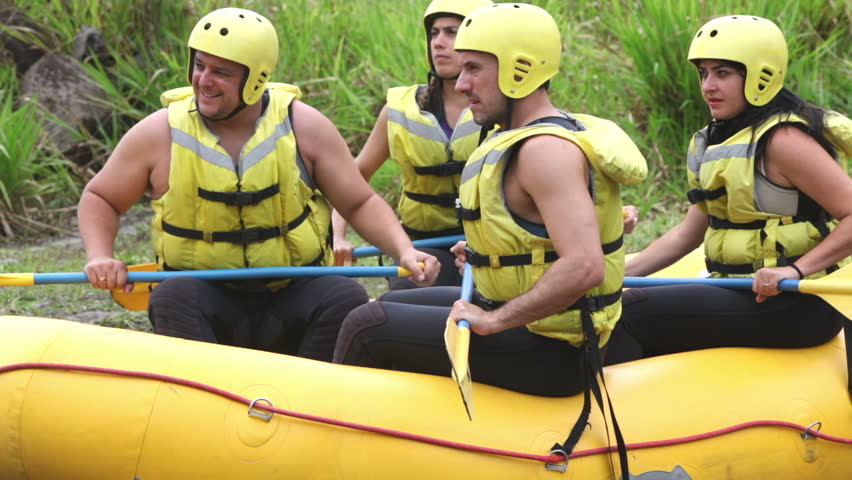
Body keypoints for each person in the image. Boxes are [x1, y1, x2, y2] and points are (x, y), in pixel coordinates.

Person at [76, 7, 438, 362]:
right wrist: (100, 256)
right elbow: (101, 197)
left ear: (255, 80)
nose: (203, 80)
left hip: (291, 294)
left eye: (221, 72)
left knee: (343, 295)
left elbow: (358, 203)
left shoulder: (304, 127)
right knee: (171, 296)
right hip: (206, 297)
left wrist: (404, 251)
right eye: (200, 66)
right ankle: (206, 396)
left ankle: (307, 398)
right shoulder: (157, 133)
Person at [334, 3, 647, 397]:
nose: (462, 85)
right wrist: (489, 253)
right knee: (403, 304)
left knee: (368, 324)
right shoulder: (525, 135)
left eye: (474, 69)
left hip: (552, 352)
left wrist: (494, 320)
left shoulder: (544, 151)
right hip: (533, 325)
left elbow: (585, 267)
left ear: (520, 71)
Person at [605, 15, 852, 366]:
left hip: (796, 303)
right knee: (614, 302)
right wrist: (613, 279)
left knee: (629, 314)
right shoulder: (717, 141)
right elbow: (686, 234)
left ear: (760, 76)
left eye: (723, 73)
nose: (708, 86)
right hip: (736, 288)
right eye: (704, 73)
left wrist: (795, 271)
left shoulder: (783, 141)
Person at [331, 0, 493, 290]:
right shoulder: (399, 111)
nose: (439, 43)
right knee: (407, 298)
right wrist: (338, 236)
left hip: (487, 246)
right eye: (434, 33)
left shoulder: (502, 109)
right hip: (422, 247)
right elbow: (352, 179)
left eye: (452, 32)